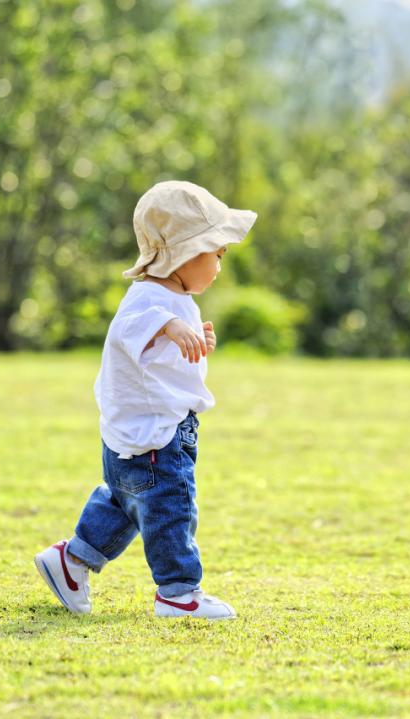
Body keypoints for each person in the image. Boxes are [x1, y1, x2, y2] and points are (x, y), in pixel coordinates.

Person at [34, 180, 256, 620]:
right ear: (184, 255)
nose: (219, 264)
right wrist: (171, 327)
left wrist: (190, 339)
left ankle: (71, 560)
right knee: (172, 509)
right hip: (157, 441)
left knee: (125, 503)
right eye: (216, 253)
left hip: (140, 439)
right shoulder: (150, 301)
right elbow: (132, 328)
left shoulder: (172, 297)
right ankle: (178, 592)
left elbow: (151, 353)